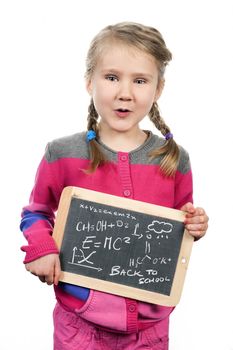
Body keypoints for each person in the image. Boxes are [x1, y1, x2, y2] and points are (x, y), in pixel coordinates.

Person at [20, 22, 209, 350]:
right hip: (79, 323)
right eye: (111, 77)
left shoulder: (174, 159)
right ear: (89, 81)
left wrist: (195, 223)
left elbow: (181, 226)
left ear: (158, 89)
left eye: (140, 80)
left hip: (150, 327)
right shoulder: (62, 154)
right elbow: (36, 212)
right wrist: (41, 248)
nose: (125, 92)